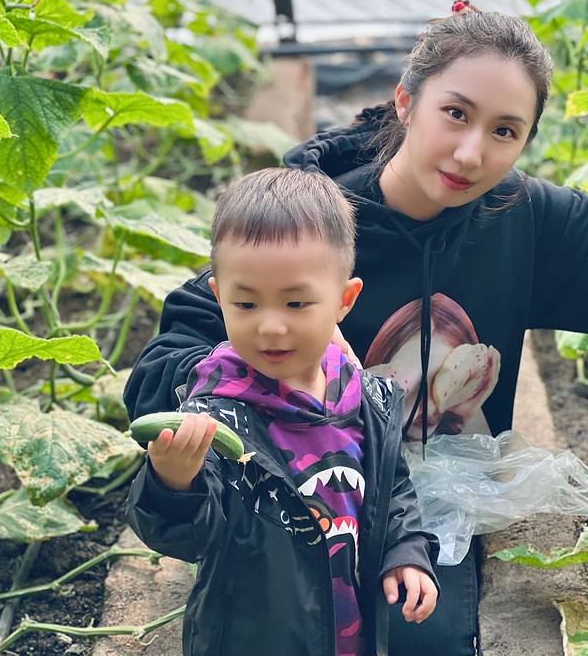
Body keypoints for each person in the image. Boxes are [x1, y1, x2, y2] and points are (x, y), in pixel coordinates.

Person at [124, 3, 588, 656]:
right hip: (298, 493)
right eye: (455, 113)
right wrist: (272, 377)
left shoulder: (526, 217)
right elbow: (161, 366)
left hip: (420, 506)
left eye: (504, 130)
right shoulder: (314, 222)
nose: (471, 151)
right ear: (406, 101)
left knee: (424, 635)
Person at [126, 168, 440, 656]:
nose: (270, 327)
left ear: (344, 300)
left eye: (295, 303)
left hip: (349, 633)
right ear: (219, 299)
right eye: (246, 304)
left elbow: (393, 490)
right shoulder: (216, 414)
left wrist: (406, 551)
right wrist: (172, 484)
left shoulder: (368, 398)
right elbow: (185, 538)